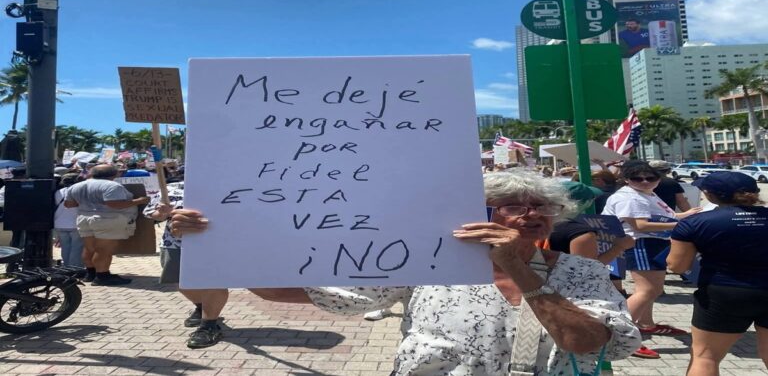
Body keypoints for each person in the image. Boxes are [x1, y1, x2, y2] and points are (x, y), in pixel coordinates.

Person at [170, 170, 641, 375]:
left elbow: (588, 343)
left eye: (541, 206)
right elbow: (281, 291)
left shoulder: (580, 272)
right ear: (475, 214)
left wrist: (520, 270)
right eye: (511, 206)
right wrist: (216, 239)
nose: (530, 214)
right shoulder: (427, 264)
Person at [667, 172, 768, 375]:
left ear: (710, 195)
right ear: (755, 193)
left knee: (705, 357)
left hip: (724, 291)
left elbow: (677, 266)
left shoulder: (695, 223)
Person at [601, 160, 701, 359]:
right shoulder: (629, 197)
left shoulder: (645, 193)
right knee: (648, 290)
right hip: (641, 243)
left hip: (652, 242)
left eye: (651, 178)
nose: (645, 181)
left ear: (658, 179)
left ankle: (645, 325)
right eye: (637, 178)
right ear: (627, 180)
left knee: (651, 289)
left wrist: (685, 216)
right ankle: (615, 334)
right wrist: (681, 225)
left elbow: (661, 217)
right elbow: (641, 225)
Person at [143, 179, 230, 348]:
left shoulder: (223, 184)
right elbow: (150, 213)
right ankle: (200, 306)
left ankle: (209, 325)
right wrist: (161, 213)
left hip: (216, 243)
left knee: (214, 282)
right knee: (181, 282)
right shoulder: (170, 188)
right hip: (175, 243)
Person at [64, 164, 149, 285]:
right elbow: (114, 204)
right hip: (108, 219)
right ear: (115, 174)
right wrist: (140, 200)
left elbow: (68, 204)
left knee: (89, 248)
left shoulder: (77, 186)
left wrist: (88, 203)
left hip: (84, 218)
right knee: (104, 249)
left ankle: (91, 273)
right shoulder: (112, 186)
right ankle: (102, 276)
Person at [546, 181, 635, 266]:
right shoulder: (579, 232)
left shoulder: (541, 222)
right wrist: (619, 247)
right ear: (584, 203)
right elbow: (586, 269)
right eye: (592, 199)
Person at [54, 173, 84, 267]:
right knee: (76, 248)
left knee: (65, 247)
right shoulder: (79, 192)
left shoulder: (58, 192)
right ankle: (75, 268)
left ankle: (66, 267)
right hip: (75, 223)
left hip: (59, 223)